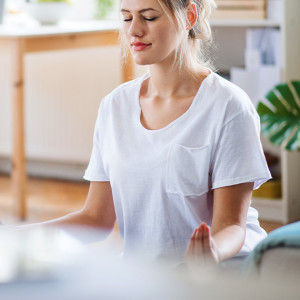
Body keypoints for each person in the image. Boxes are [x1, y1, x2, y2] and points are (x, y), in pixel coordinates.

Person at [4, 0, 271, 267]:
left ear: (189, 16)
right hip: (150, 274)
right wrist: (14, 236)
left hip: (223, 267)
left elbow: (232, 227)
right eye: (126, 18)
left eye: (149, 17)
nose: (134, 30)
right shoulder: (114, 106)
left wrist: (212, 250)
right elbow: (96, 218)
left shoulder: (229, 106)